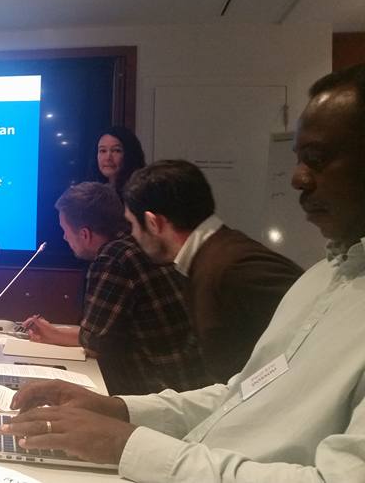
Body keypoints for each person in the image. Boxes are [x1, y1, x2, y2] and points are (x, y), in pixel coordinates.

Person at [0, 63, 365, 481]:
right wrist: (117, 410)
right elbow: (242, 396)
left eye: (317, 159)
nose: (298, 178)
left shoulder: (236, 266)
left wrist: (125, 444)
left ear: (153, 222)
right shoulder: (323, 277)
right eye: (299, 159)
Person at [122, 159, 303, 383]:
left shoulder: (234, 266)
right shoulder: (213, 256)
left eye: (132, 224)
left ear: (153, 223)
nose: (132, 235)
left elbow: (315, 336)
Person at [23, 182, 207, 395]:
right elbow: (107, 331)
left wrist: (53, 334)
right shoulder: (137, 246)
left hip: (158, 389)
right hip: (187, 381)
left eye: (65, 231)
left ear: (85, 234)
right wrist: (55, 332)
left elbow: (96, 343)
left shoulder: (114, 259)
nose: (64, 237)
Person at [92, 126, 146, 197]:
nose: (108, 158)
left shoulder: (140, 192)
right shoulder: (91, 191)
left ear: (129, 154)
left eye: (116, 150)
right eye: (103, 151)